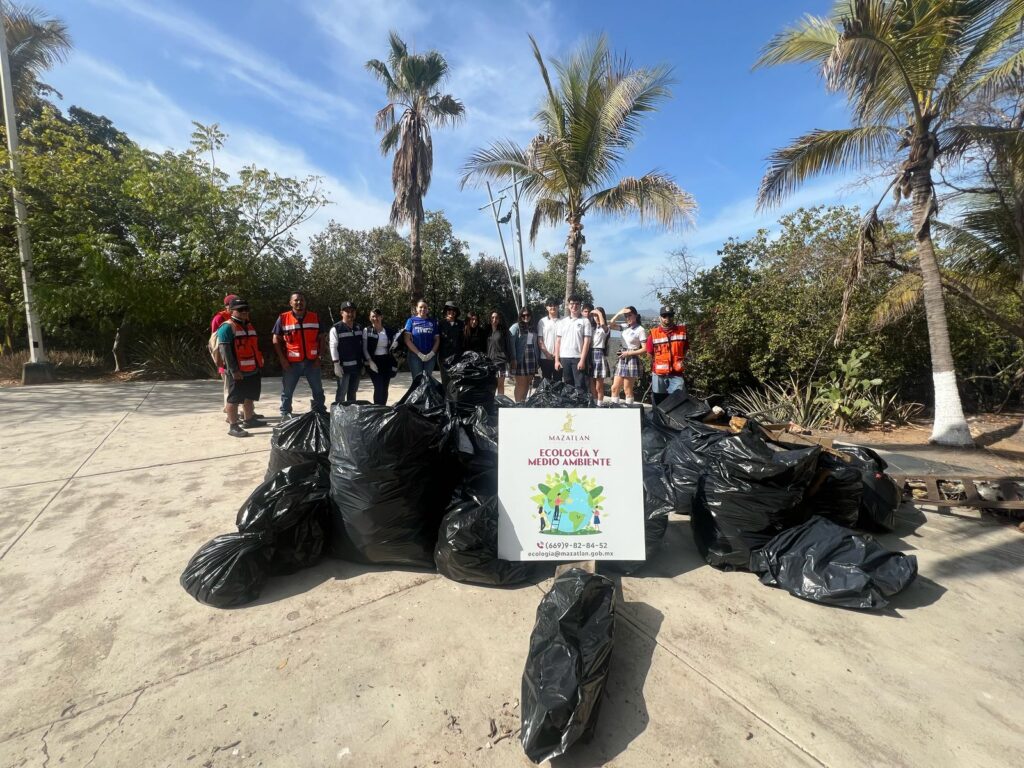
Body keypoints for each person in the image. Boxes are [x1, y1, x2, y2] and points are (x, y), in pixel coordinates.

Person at [272, 292, 326, 420]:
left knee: (318, 390)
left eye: (302, 300)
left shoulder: (314, 317)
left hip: (312, 362)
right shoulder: (283, 318)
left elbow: (322, 338)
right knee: (287, 391)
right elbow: (275, 339)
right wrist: (282, 359)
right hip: (291, 363)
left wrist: (320, 357)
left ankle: (320, 411)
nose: (299, 302)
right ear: (290, 303)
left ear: (305, 302)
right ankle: (285, 413)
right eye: (296, 300)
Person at [216, 298, 265, 438]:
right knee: (234, 399)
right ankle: (233, 426)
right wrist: (234, 370)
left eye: (246, 309)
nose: (244, 312)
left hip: (253, 369)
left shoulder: (248, 325)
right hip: (237, 372)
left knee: (250, 396)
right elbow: (225, 351)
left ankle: (249, 420)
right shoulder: (227, 327)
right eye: (240, 310)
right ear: (231, 311)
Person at [646, 305, 689, 406]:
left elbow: (686, 349)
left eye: (670, 316)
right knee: (659, 402)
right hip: (659, 375)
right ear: (660, 317)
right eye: (664, 316)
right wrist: (655, 366)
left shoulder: (682, 331)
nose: (667, 318)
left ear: (673, 316)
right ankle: (659, 421)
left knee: (677, 401)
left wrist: (681, 361)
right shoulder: (654, 334)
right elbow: (649, 353)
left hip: (676, 374)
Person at [608, 305, 647, 405]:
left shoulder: (640, 330)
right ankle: (614, 408)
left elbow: (644, 349)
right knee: (614, 388)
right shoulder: (624, 326)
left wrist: (628, 353)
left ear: (636, 315)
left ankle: (629, 410)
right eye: (626, 316)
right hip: (622, 357)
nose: (628, 318)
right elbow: (610, 324)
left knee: (627, 389)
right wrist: (619, 313)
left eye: (630, 315)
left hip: (632, 359)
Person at [554, 294, 592, 394]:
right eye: (572, 304)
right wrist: (557, 360)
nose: (574, 306)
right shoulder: (562, 322)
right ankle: (570, 407)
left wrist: (582, 360)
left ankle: (580, 407)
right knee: (567, 384)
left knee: (580, 385)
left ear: (580, 305)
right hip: (564, 357)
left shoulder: (585, 321)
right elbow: (558, 342)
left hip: (578, 358)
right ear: (568, 305)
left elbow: (587, 342)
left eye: (577, 304)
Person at [330, 301, 363, 404]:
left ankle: (351, 415)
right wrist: (336, 364)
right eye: (347, 311)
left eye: (352, 311)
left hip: (356, 367)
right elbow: (333, 347)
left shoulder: (359, 327)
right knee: (341, 393)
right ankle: (338, 415)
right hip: (343, 368)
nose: (350, 314)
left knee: (352, 392)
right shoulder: (336, 328)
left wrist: (364, 364)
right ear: (341, 313)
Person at [362, 308, 398, 405]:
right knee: (378, 386)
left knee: (385, 387)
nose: (375, 318)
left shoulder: (388, 331)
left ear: (381, 317)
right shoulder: (367, 330)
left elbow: (396, 344)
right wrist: (370, 361)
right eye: (373, 316)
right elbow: (364, 348)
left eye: (377, 316)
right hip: (373, 362)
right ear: (370, 318)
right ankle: (377, 409)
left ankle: (383, 409)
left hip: (386, 361)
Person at [210, 294, 237, 420]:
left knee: (238, 387)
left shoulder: (238, 316)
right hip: (225, 358)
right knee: (229, 387)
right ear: (227, 306)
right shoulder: (219, 318)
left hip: (238, 358)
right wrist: (222, 360)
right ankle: (229, 414)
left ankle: (245, 412)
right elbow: (216, 341)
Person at [509, 307, 539, 402]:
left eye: (528, 315)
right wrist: (513, 359)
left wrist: (537, 360)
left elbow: (535, 344)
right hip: (520, 358)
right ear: (520, 316)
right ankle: (517, 405)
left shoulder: (533, 327)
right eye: (523, 315)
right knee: (520, 384)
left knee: (527, 383)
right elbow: (511, 344)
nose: (526, 317)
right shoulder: (515, 327)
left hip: (531, 358)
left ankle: (523, 404)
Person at [404, 299, 440, 378]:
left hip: (430, 357)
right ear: (416, 308)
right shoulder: (411, 321)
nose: (423, 309)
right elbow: (407, 340)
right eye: (420, 307)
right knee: (417, 381)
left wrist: (432, 353)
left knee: (427, 380)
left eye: (425, 307)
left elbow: (437, 340)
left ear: (427, 309)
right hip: (415, 356)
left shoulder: (433, 322)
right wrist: (419, 354)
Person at [486, 309, 516, 396]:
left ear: (500, 319)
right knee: (490, 385)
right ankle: (491, 404)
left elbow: (509, 347)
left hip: (500, 363)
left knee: (500, 385)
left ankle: (500, 403)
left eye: (496, 318)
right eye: (492, 317)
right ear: (489, 318)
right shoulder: (486, 331)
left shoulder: (504, 331)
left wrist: (512, 361)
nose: (494, 320)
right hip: (489, 363)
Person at [437, 300, 465, 382]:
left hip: (457, 358)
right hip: (444, 358)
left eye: (454, 310)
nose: (451, 312)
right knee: (445, 381)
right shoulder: (440, 324)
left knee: (456, 381)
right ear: (445, 311)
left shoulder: (461, 324)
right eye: (449, 310)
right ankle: (446, 395)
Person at [589, 306, 610, 406]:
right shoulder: (591, 328)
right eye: (594, 315)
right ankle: (593, 403)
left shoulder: (605, 328)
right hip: (590, 354)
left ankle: (600, 405)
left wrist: (599, 313)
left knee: (599, 386)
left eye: (597, 315)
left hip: (599, 353)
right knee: (591, 384)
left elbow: (603, 325)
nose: (595, 317)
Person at [536, 297, 560, 380]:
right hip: (545, 357)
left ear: (558, 306)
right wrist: (547, 354)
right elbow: (540, 340)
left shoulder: (564, 320)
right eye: (550, 305)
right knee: (546, 382)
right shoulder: (542, 321)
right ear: (546, 307)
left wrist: (557, 354)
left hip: (559, 357)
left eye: (555, 305)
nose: (552, 307)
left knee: (558, 382)